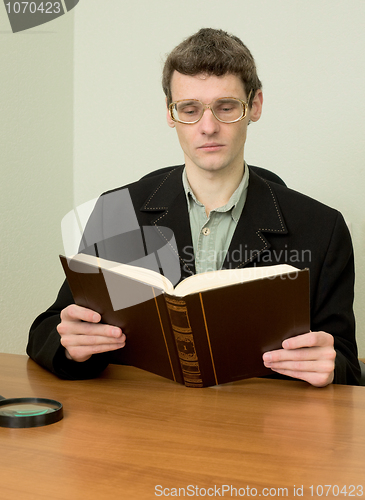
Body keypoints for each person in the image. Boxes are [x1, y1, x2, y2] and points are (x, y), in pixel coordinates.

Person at [27, 28, 361, 386]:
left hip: (264, 429)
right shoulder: (116, 212)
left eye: (226, 107)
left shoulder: (323, 228)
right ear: (170, 114)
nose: (208, 127)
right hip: (140, 423)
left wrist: (331, 367)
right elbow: (47, 329)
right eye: (189, 109)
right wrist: (72, 346)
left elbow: (346, 366)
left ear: (256, 105)